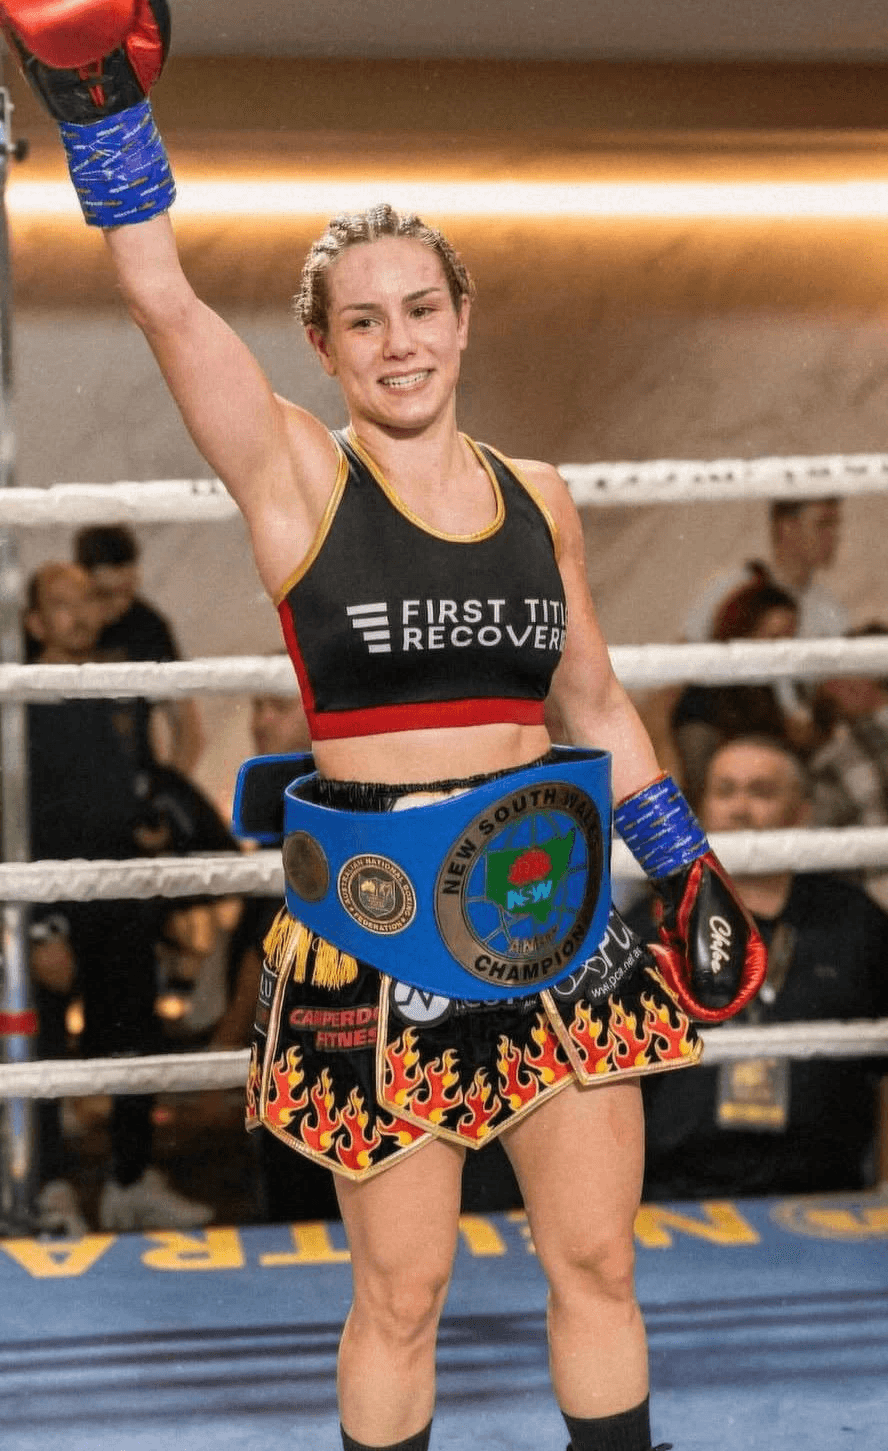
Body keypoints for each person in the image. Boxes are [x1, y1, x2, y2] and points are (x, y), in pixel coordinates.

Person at [5, 10, 766, 1449]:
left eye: (422, 309)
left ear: (464, 318)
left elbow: (593, 702)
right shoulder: (295, 477)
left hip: (555, 913)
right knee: (401, 1291)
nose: (399, 341)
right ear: (324, 343)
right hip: (381, 924)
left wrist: (686, 864)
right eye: (365, 319)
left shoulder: (540, 495)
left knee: (598, 1261)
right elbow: (163, 300)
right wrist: (102, 114)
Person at [24, 560, 215, 1233]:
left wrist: (152, 825)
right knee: (44, 1050)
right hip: (53, 901)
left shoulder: (118, 687)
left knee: (136, 1034)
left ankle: (130, 1180)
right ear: (34, 621)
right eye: (61, 602)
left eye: (86, 599)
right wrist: (42, 925)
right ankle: (47, 1187)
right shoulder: (19, 699)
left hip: (123, 892)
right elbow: (19, 818)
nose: (79, 612)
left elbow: (130, 781)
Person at [631, 735, 888, 1200]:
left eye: (761, 792)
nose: (740, 808)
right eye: (725, 791)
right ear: (700, 811)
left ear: (802, 812)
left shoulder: (855, 920)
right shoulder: (652, 924)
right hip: (672, 1195)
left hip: (826, 1193)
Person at [74, 522, 205, 777]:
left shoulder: (146, 625)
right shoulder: (59, 627)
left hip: (134, 779)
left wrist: (168, 791)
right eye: (104, 594)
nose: (120, 604)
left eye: (128, 592)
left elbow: (189, 730)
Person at [670, 578, 812, 805]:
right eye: (774, 638)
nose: (784, 650)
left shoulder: (781, 687)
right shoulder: (705, 695)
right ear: (744, 633)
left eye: (790, 639)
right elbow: (700, 785)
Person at [683, 496, 847, 644]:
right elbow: (686, 654)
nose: (834, 535)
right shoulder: (730, 589)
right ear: (787, 527)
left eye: (835, 525)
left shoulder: (831, 611)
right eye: (823, 524)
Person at [808, 623, 888, 911]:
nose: (828, 686)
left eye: (837, 671)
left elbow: (815, 843)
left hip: (874, 899)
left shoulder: (836, 760)